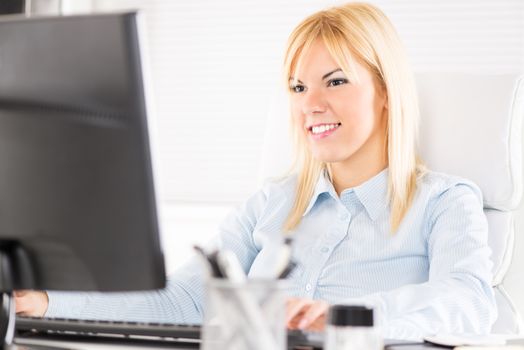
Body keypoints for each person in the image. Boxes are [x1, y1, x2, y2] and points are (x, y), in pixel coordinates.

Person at [15, 2, 497, 340]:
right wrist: (47, 303)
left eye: (335, 81)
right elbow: (185, 302)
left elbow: (469, 302)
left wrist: (344, 318)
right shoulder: (273, 203)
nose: (312, 105)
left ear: (386, 91)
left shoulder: (444, 201)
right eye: (297, 87)